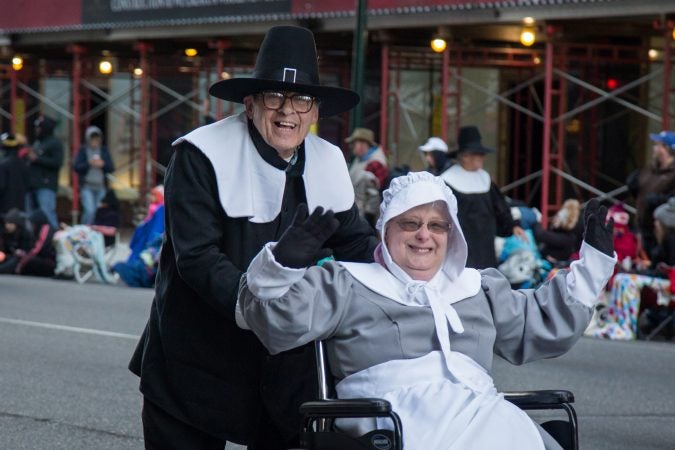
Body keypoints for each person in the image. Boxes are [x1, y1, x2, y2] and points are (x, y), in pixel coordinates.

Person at [128, 25, 379, 450]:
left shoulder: (328, 161)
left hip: (282, 367)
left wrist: (408, 266)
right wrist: (257, 305)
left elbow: (355, 243)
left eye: (301, 99)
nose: (288, 111)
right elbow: (197, 258)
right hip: (196, 359)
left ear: (315, 110)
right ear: (249, 103)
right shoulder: (199, 155)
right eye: (273, 97)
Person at [237, 171, 616, 450]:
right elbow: (275, 325)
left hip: (482, 414)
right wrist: (281, 266)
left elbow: (544, 323)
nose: (424, 235)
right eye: (411, 223)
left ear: (451, 236)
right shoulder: (347, 282)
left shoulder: (477, 286)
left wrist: (594, 263)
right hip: (390, 422)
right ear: (386, 230)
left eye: (437, 225)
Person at [441, 125, 527, 269]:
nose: (482, 158)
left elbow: (499, 207)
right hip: (460, 246)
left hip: (486, 247)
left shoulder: (485, 179)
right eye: (478, 154)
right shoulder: (446, 182)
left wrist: (512, 225)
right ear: (465, 156)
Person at [627, 130, 675, 260]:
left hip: (659, 232)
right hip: (641, 227)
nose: (654, 148)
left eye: (657, 145)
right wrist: (634, 186)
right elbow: (640, 192)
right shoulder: (650, 169)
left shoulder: (672, 173)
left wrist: (660, 200)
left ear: (665, 149)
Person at [25, 115, 64, 228]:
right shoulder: (37, 143)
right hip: (32, 184)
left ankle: (54, 238)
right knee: (31, 215)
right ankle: (31, 240)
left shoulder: (55, 143)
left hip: (46, 185)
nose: (36, 130)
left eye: (39, 127)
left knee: (47, 212)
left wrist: (37, 159)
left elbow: (57, 162)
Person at [346, 127, 389, 226]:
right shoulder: (359, 159)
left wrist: (367, 219)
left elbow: (374, 195)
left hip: (364, 219)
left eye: (353, 143)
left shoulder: (375, 163)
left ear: (362, 144)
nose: (351, 147)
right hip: (357, 214)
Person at [73, 125, 115, 225]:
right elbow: (76, 167)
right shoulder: (83, 150)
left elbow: (111, 168)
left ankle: (95, 233)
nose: (95, 141)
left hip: (101, 187)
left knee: (99, 212)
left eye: (97, 139)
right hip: (87, 186)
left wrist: (103, 164)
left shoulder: (104, 150)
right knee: (89, 211)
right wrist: (89, 163)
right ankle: (84, 230)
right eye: (92, 139)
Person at [532, 198, 584, 266]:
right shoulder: (565, 234)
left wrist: (537, 220)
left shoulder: (566, 237)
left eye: (558, 216)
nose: (555, 217)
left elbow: (541, 235)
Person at [0, 132, 30, 215]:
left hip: (4, 206)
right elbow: (27, 183)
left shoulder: (3, 164)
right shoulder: (23, 163)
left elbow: (1, 186)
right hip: (20, 205)